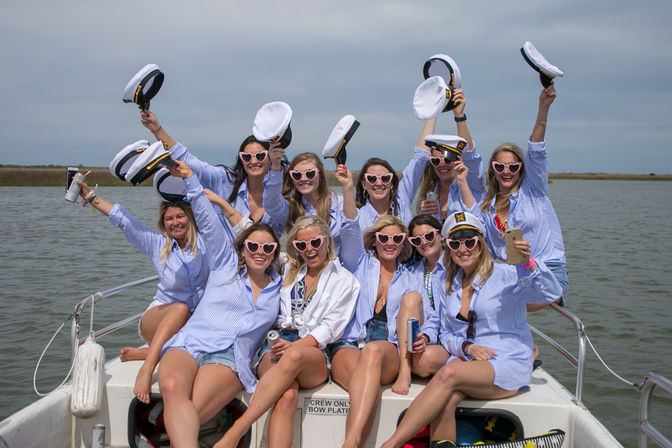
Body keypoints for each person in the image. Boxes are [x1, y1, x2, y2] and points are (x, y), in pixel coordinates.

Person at [380, 211, 561, 447]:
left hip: (506, 360)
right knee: (445, 402)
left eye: (469, 241)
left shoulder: (505, 274)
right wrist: (467, 346)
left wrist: (529, 262)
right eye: (455, 243)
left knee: (447, 374)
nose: (462, 248)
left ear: (481, 243)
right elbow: (446, 334)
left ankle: (390, 444)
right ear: (449, 248)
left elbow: (552, 293)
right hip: (470, 360)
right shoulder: (451, 283)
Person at [158, 161, 282, 448]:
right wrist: (190, 178)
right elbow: (205, 218)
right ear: (241, 248)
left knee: (194, 409)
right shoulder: (225, 263)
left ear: (276, 252)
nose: (259, 252)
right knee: (172, 388)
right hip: (191, 342)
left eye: (268, 247)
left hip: (230, 355)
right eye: (252, 246)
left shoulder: (281, 282)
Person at [214, 215, 359, 448]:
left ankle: (235, 432)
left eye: (315, 242)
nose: (309, 249)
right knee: (287, 394)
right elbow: (259, 247)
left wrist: (295, 346)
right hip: (278, 341)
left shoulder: (344, 279)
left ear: (327, 241)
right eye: (301, 245)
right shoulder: (289, 268)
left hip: (311, 352)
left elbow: (330, 328)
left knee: (294, 355)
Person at [75, 179, 209, 405]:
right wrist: (90, 197)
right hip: (159, 319)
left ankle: (149, 353)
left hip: (192, 325)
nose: (175, 222)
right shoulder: (157, 245)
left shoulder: (207, 245)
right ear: (162, 223)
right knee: (180, 307)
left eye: (180, 216)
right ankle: (147, 368)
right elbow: (124, 220)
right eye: (169, 219)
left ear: (190, 217)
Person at [331, 164, 433, 448]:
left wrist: (429, 336)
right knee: (366, 389)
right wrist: (348, 188)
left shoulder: (413, 275)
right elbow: (350, 227)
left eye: (397, 238)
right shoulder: (357, 263)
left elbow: (431, 314)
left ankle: (349, 444)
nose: (390, 243)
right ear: (373, 240)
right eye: (383, 237)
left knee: (374, 353)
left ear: (405, 244)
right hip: (351, 344)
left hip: (386, 348)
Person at [476, 84, 567, 308]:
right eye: (500, 166)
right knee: (480, 302)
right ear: (492, 170)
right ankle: (528, 344)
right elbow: (484, 251)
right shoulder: (487, 208)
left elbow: (536, 149)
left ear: (521, 169)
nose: (506, 171)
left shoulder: (533, 191)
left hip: (546, 272)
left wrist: (543, 108)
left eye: (513, 167)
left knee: (504, 309)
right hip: (512, 275)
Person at [140, 110, 281, 236]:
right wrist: (157, 129)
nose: (254, 161)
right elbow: (187, 159)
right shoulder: (224, 180)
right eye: (247, 157)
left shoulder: (282, 193)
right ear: (241, 159)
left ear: (270, 157)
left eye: (260, 155)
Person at [416, 89, 486, 222]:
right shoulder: (430, 194)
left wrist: (459, 115)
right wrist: (421, 216)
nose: (442, 164)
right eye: (436, 161)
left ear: (458, 161)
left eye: (448, 160)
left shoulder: (471, 184)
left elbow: (470, 156)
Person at [353, 118, 435, 230]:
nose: (379, 183)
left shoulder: (402, 198)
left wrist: (432, 115)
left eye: (385, 178)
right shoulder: (356, 217)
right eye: (371, 179)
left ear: (392, 183)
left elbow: (421, 158)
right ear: (364, 184)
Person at [263, 151, 344, 254]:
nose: (304, 179)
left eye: (310, 174)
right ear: (292, 179)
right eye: (297, 175)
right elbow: (271, 204)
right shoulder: (291, 208)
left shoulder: (340, 203)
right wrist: (275, 166)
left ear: (320, 176)